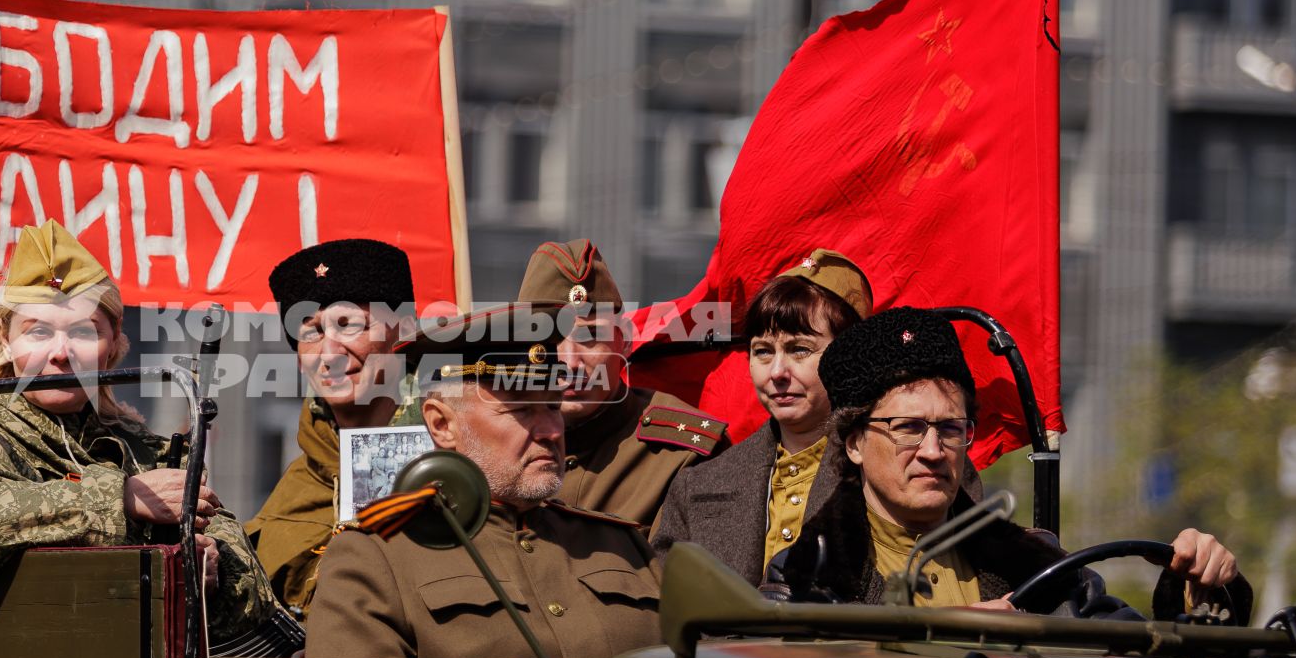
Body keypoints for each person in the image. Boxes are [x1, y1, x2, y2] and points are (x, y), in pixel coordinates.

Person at [0, 221, 273, 647]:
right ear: (5, 338)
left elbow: (252, 597)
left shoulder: (150, 452)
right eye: (37, 331)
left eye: (84, 332)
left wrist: (211, 571)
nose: (59, 353)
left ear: (113, 342)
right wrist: (120, 500)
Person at [304, 310, 661, 658]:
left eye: (552, 405)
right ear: (442, 424)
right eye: (521, 410)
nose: (551, 429)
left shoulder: (619, 542)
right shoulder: (376, 555)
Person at [775, 307, 1248, 620]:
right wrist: (942, 636)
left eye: (951, 429)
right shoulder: (800, 577)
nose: (934, 451)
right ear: (855, 443)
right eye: (909, 428)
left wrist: (1195, 588)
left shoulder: (1040, 567)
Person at [656, 248, 872, 584]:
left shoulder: (901, 468)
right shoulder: (696, 484)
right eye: (762, 351)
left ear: (848, 356)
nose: (777, 372)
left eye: (800, 349)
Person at [248, 239, 419, 616]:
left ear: (403, 331)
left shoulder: (456, 453)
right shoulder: (296, 488)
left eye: (349, 325)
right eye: (311, 332)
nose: (330, 354)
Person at [516, 239, 726, 533]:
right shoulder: (492, 444)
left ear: (624, 340)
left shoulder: (682, 456)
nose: (570, 362)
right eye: (549, 340)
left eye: (590, 335)